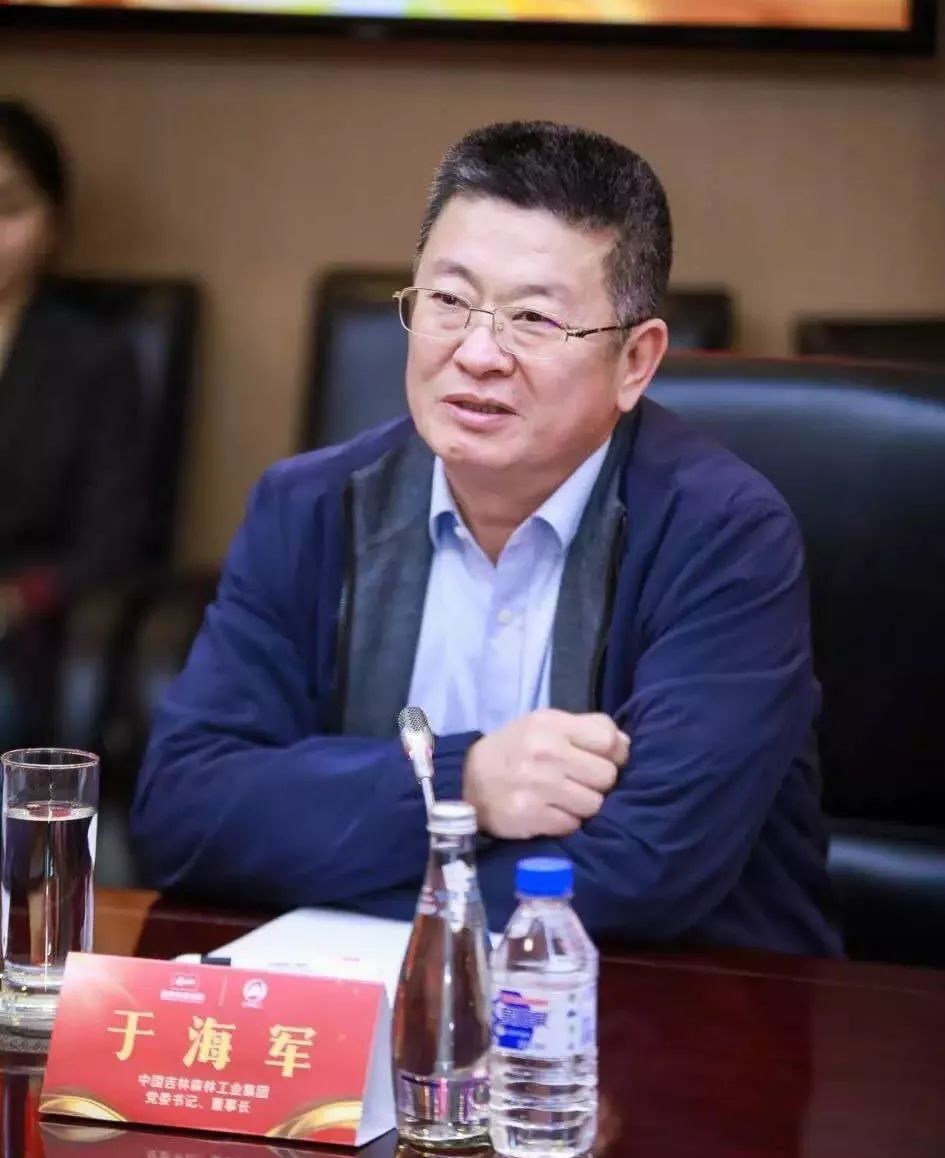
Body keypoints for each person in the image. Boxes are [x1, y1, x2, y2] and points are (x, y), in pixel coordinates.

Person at [133, 121, 840, 956]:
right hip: (360, 999)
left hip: (674, 1001)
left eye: (533, 319)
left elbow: (643, 872)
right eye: (448, 301)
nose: (476, 353)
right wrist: (459, 781)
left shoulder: (724, 536)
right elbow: (183, 812)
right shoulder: (309, 508)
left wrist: (328, 848)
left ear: (635, 362)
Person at [0, 100, 145, 743]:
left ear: (52, 224)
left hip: (20, 641)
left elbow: (114, 540)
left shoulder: (94, 360)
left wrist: (15, 599)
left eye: (8, 209)